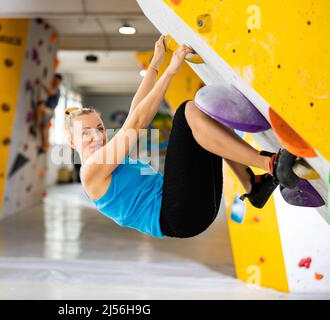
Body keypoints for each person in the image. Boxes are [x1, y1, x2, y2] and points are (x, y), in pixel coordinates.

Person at [64, 35, 299, 239]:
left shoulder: (105, 158)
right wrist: (171, 70)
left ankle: (252, 185)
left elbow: (136, 111)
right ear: (72, 142)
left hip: (189, 209)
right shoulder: (90, 171)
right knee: (188, 111)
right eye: (85, 133)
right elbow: (137, 122)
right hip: (177, 214)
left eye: (99, 128)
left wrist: (156, 63)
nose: (96, 135)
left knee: (209, 114)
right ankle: (269, 164)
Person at [35, 73, 63, 154]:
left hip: (49, 110)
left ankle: (45, 145)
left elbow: (50, 92)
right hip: (49, 110)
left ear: (59, 81)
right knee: (44, 128)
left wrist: (41, 84)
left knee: (40, 108)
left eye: (56, 80)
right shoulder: (54, 88)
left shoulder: (56, 90)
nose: (54, 81)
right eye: (54, 79)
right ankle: (44, 145)